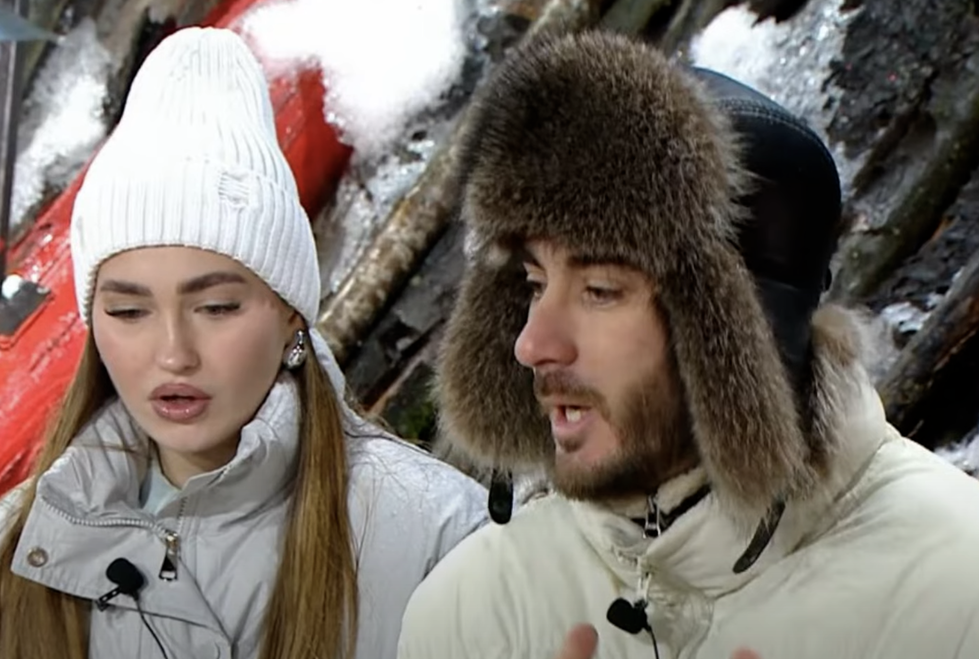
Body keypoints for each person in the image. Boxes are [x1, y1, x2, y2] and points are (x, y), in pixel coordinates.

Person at [395, 29, 979, 659]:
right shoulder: (469, 614)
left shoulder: (955, 587)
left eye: (599, 290)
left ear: (736, 337)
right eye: (534, 283)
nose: (532, 344)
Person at [0, 26, 488, 659]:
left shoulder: (437, 533)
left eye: (216, 308)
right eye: (129, 311)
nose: (173, 353)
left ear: (291, 315)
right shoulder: (8, 552)